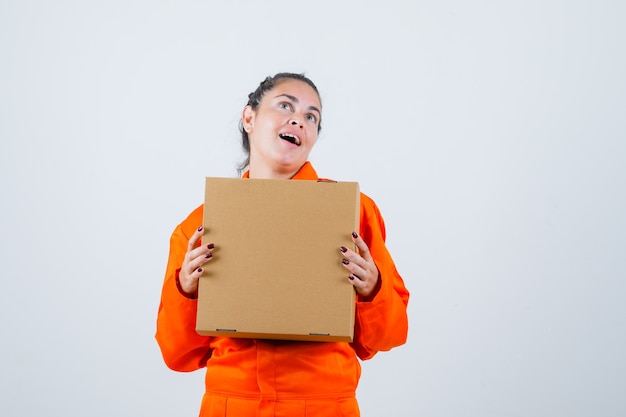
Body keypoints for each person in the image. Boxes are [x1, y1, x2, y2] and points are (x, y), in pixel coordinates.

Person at [156, 72, 410, 417]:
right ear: (249, 118)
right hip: (231, 406)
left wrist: (373, 290)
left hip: (324, 406)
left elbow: (388, 337)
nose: (298, 120)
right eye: (285, 105)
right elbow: (178, 355)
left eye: (311, 117)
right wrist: (186, 290)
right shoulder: (200, 226)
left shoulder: (353, 214)